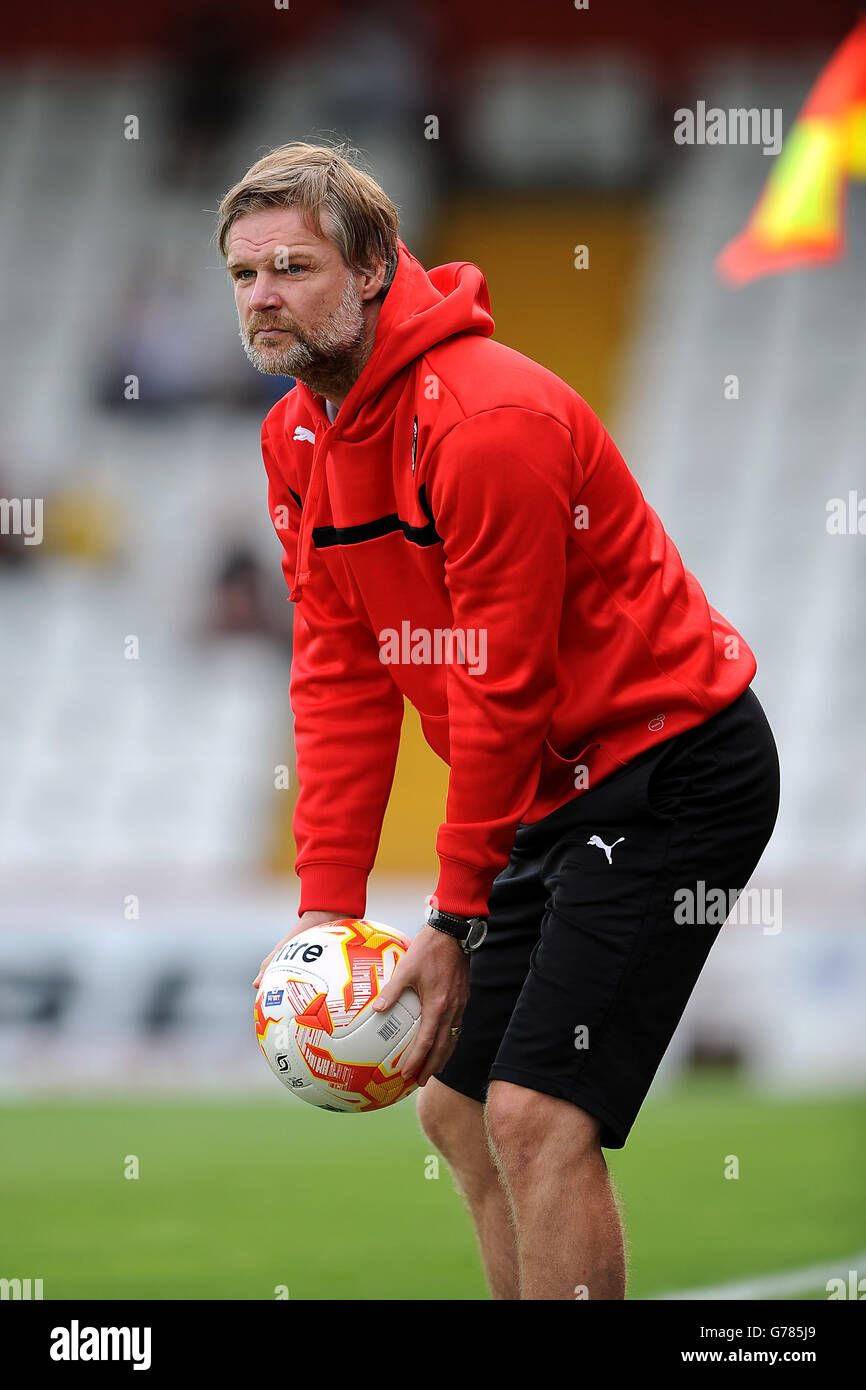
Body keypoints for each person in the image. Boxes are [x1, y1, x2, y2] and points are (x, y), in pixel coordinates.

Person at [216, 142, 780, 1300]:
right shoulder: (293, 440)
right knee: (459, 1114)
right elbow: (338, 671)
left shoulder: (488, 420)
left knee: (530, 1110)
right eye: (242, 275)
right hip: (553, 790)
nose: (263, 296)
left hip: (670, 765)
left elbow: (501, 687)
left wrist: (451, 911)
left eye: (292, 266)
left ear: (372, 267)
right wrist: (328, 914)